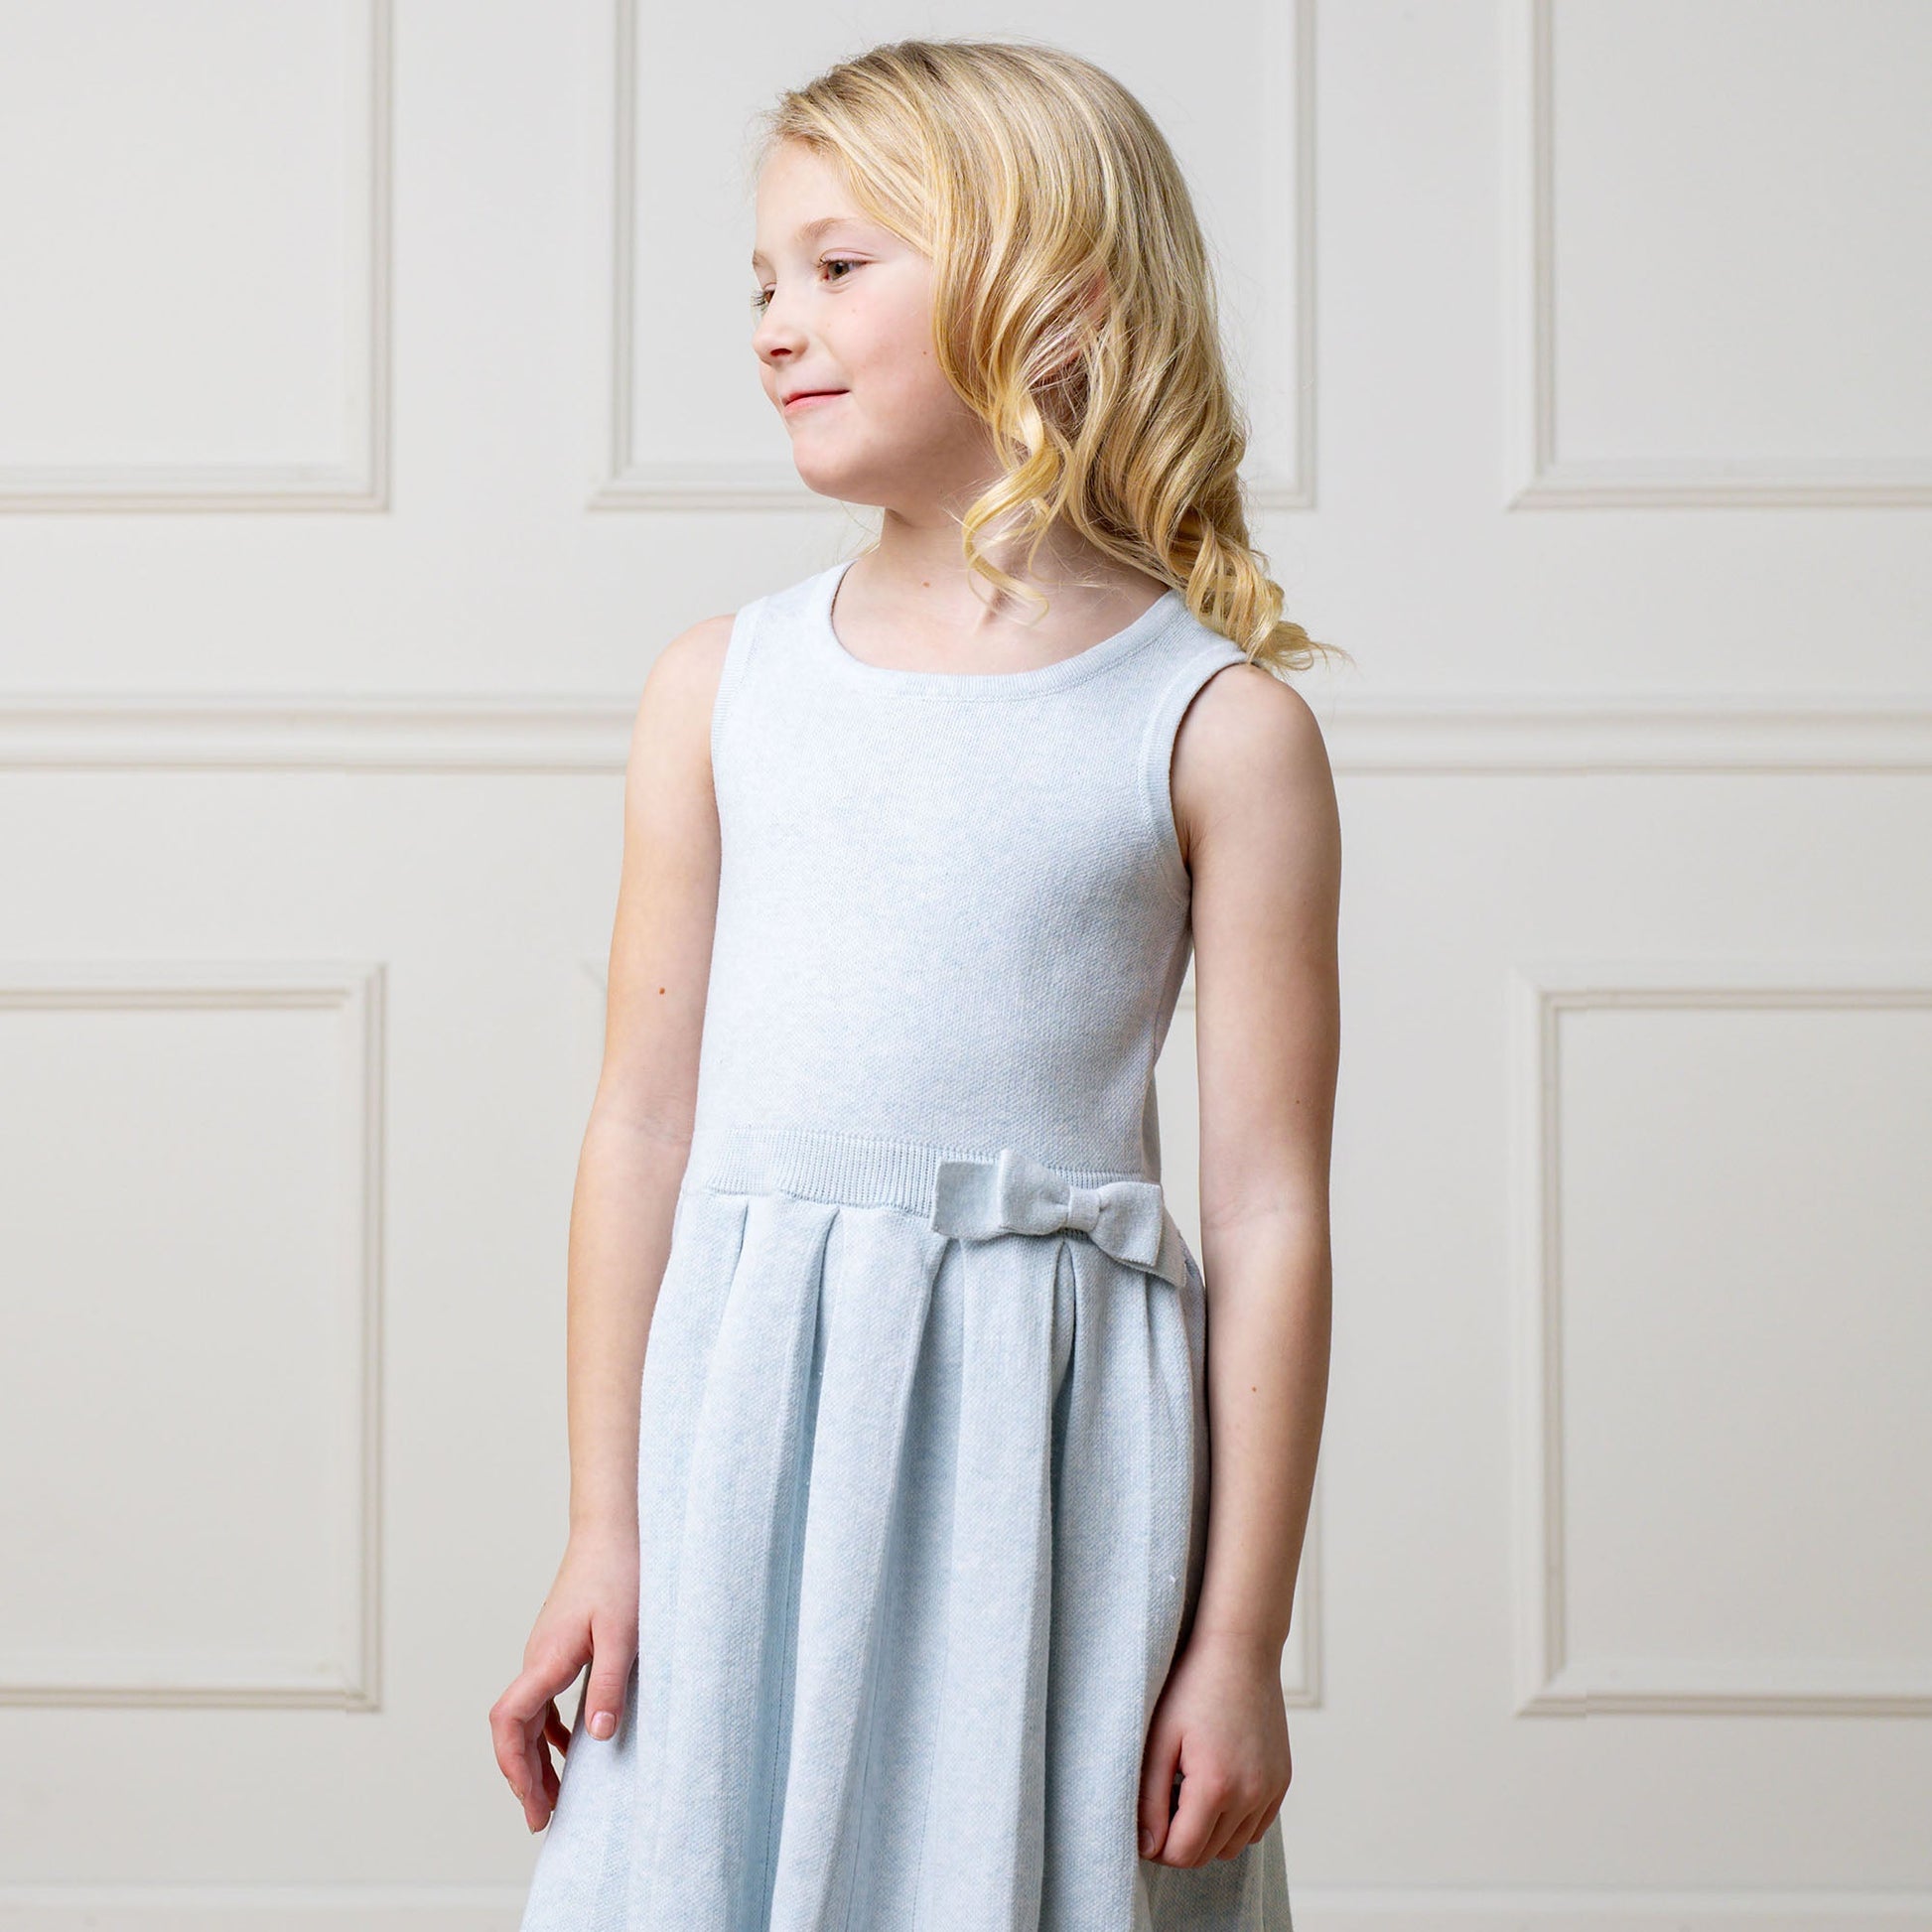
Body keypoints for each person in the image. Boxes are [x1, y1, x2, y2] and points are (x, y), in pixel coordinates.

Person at [493, 36, 1342, 1930]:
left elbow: (1269, 1207)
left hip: (1053, 1460)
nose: (778, 323)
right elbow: (641, 1120)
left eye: (840, 265)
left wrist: (1239, 1637)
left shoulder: (1217, 725)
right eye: (762, 283)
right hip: (747, 1445)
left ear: (1054, 299)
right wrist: (603, 1525)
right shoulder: (720, 686)